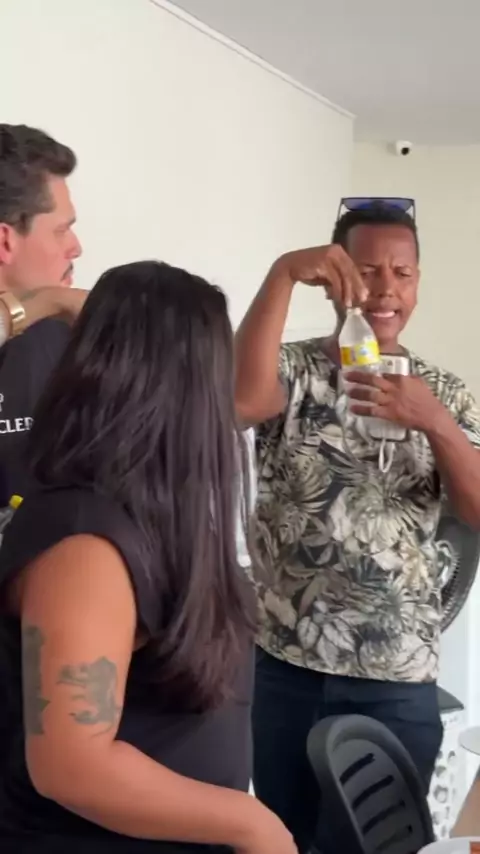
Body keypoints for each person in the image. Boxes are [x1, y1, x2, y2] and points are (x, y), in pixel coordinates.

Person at [0, 260, 297, 854]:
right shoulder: (86, 549)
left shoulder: (141, 513)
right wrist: (251, 824)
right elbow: (72, 766)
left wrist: (65, 301)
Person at [235, 200, 480, 853]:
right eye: (368, 271)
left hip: (395, 678)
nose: (386, 289)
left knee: (380, 846)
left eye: (403, 273)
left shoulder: (445, 392)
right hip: (285, 664)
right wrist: (283, 272)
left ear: (418, 282)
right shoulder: (294, 371)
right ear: (335, 278)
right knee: (283, 839)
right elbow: (239, 401)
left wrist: (434, 421)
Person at [0, 123, 86, 503]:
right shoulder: (56, 308)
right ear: (5, 241)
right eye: (60, 230)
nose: (76, 247)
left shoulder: (71, 336)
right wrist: (46, 302)